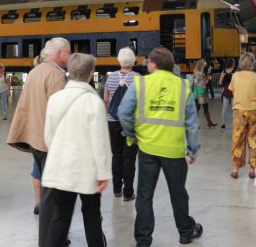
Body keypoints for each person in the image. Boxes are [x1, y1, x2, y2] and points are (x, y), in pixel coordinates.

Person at [118, 47, 203, 247]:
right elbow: (191, 122)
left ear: (154, 64)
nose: (147, 64)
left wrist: (132, 135)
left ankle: (143, 240)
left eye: (148, 62)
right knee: (178, 193)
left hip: (147, 150)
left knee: (145, 196)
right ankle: (185, 232)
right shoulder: (183, 86)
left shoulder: (140, 84)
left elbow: (123, 113)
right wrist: (192, 149)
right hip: (173, 151)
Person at [42, 53, 111, 247]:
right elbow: (100, 142)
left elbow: (48, 136)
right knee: (91, 217)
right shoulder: (93, 101)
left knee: (60, 217)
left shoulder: (55, 98)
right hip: (86, 171)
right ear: (90, 74)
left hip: (60, 168)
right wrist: (103, 172)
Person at [7, 37, 70, 247]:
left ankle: (50, 238)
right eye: (68, 52)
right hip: (49, 142)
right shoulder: (55, 75)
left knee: (47, 193)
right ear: (59, 53)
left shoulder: (35, 71)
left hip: (35, 138)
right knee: (55, 196)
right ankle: (52, 241)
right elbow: (59, 113)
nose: (69, 57)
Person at [103, 47, 139, 201]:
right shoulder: (138, 78)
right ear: (133, 61)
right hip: (130, 123)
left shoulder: (111, 77)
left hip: (113, 121)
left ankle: (117, 189)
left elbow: (106, 98)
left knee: (116, 155)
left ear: (119, 60)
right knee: (129, 157)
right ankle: (128, 192)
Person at [228, 52, 256, 180]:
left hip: (239, 112)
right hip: (254, 111)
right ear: (252, 63)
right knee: (253, 139)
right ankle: (252, 170)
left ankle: (235, 169)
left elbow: (232, 90)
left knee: (237, 139)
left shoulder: (235, 76)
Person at [192, 59, 217, 128]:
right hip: (202, 92)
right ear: (202, 65)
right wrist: (208, 78)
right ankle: (209, 123)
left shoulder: (195, 72)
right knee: (205, 109)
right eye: (204, 65)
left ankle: (207, 123)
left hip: (196, 93)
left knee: (197, 109)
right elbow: (204, 83)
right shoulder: (201, 74)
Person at [218, 58, 235, 129]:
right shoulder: (234, 72)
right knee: (234, 109)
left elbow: (220, 82)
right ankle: (235, 124)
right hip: (233, 91)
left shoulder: (224, 71)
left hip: (226, 91)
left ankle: (223, 124)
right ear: (233, 64)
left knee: (224, 108)